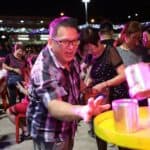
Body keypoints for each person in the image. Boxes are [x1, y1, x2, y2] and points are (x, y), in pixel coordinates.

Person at [26, 16, 110, 150]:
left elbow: (78, 83)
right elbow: (53, 104)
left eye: (75, 42)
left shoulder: (70, 58)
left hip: (68, 128)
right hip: (49, 135)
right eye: (65, 42)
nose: (71, 48)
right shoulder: (43, 67)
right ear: (50, 42)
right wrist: (81, 110)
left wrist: (91, 92)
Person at [79, 27, 129, 150]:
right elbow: (88, 74)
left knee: (120, 135)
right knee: (100, 133)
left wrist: (104, 84)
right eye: (86, 49)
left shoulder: (110, 51)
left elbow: (123, 75)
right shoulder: (90, 56)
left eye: (91, 47)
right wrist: (87, 79)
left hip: (116, 97)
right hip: (100, 98)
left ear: (98, 40)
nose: (90, 51)